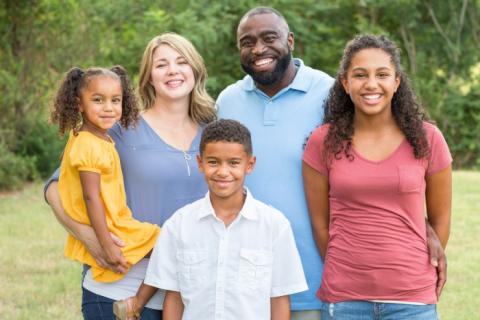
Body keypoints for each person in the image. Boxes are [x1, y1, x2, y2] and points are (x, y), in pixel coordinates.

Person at [217, 7, 448, 318]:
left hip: (319, 284)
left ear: (291, 40)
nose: (258, 49)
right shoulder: (227, 102)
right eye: (247, 41)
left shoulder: (327, 92)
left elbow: (419, 198)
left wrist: (424, 235)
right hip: (255, 278)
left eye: (269, 38)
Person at [45, 33, 216, 319]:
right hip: (121, 284)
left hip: (191, 291)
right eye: (161, 64)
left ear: (195, 70)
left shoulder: (214, 129)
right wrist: (93, 240)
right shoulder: (116, 127)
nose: (173, 70)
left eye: (182, 61)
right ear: (149, 77)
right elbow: (55, 188)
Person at [302, 34, 452, 319]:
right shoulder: (323, 141)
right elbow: (321, 226)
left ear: (396, 82)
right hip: (345, 300)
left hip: (412, 302)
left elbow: (441, 220)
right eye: (360, 75)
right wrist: (350, 270)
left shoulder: (427, 139)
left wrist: (416, 267)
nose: (371, 84)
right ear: (345, 83)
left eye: (382, 74)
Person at [143, 119, 308, 320]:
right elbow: (174, 297)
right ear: (200, 163)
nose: (222, 172)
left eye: (233, 163)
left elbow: (279, 299)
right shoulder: (178, 225)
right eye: (213, 162)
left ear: (250, 164)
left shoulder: (274, 226)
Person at [51, 65, 159, 283]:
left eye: (115, 100)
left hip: (115, 221)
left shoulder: (95, 137)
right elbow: (91, 197)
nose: (108, 108)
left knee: (170, 252)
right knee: (171, 248)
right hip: (111, 228)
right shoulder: (89, 144)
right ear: (79, 104)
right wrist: (106, 245)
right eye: (98, 100)